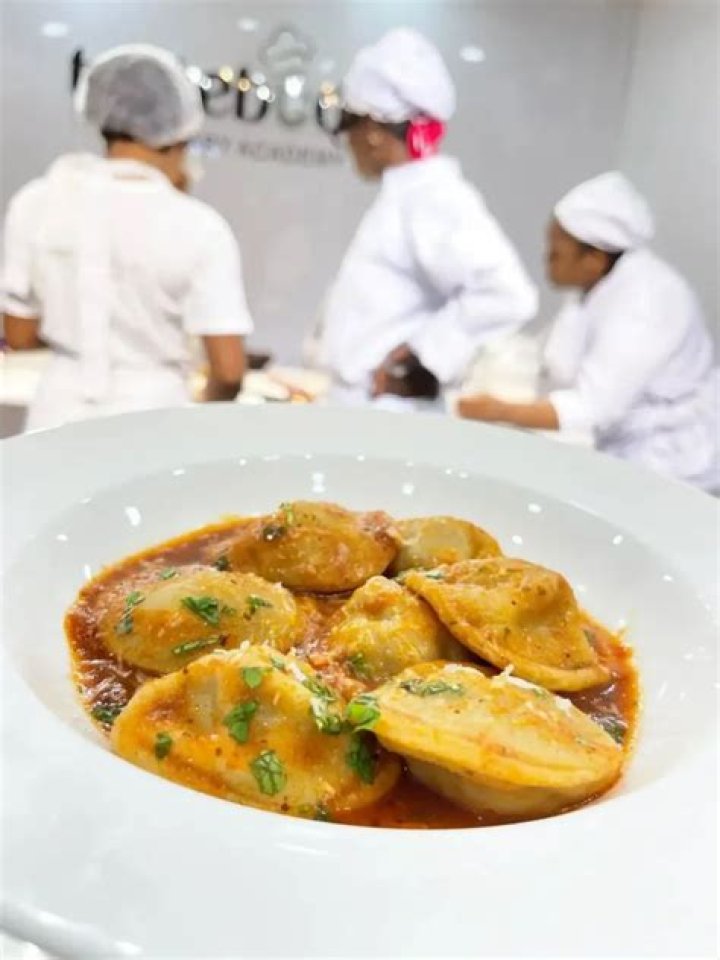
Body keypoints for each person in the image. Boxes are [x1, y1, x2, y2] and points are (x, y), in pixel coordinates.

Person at [1, 44, 253, 431]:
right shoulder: (200, 226)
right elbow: (229, 370)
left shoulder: (37, 201)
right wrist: (201, 404)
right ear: (181, 134)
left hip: (56, 416)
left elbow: (18, 335)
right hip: (153, 419)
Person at [317, 28, 537, 410]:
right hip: (365, 407)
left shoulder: (434, 196)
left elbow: (507, 294)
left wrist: (422, 358)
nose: (349, 144)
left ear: (372, 129)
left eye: (348, 128)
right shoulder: (407, 195)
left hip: (385, 412)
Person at [458, 172, 718, 490]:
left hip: (673, 460)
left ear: (594, 257)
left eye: (556, 253)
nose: (546, 260)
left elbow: (594, 407)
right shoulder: (599, 286)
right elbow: (552, 358)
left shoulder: (646, 301)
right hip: (626, 451)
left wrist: (499, 411)